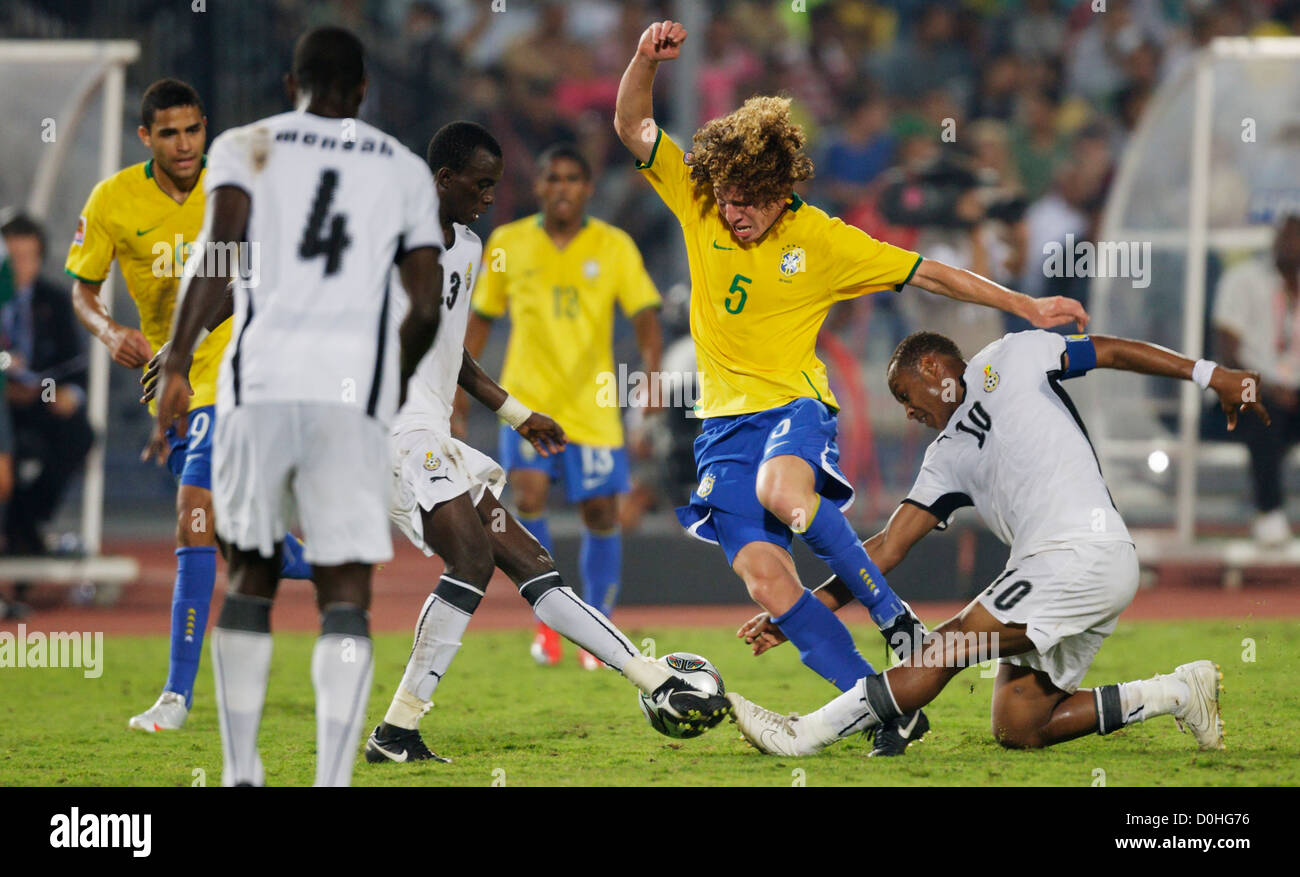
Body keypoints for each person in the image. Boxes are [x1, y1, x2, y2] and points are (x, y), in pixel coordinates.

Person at [613, 20, 1088, 755]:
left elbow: (930, 271)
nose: (735, 212)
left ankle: (895, 615)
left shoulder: (824, 239)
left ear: (781, 191)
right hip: (721, 429)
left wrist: (1026, 307)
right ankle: (884, 707)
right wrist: (644, 58)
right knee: (768, 584)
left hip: (794, 406)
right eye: (729, 197)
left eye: (751, 199)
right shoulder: (699, 198)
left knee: (784, 493)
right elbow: (632, 122)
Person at [366, 121, 729, 763]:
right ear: (443, 178)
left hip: (428, 433)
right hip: (387, 430)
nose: (488, 196)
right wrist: (186, 346)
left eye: (495, 185)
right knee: (473, 561)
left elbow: (454, 357)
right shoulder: (390, 234)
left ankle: (654, 680)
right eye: (479, 185)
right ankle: (396, 730)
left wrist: (518, 415)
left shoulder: (472, 247)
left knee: (535, 566)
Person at [727, 329, 1265, 756]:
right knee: (1020, 723)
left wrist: (1208, 373)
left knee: (945, 647)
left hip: (1082, 553)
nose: (907, 411)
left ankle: (805, 735)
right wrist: (808, 607)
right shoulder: (943, 458)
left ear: (933, 368)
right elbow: (887, 546)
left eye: (904, 394)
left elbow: (1110, 351)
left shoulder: (1010, 357)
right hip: (1055, 569)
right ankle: (1176, 693)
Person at [148, 26, 448, 787]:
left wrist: (178, 360)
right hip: (350, 397)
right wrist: (387, 390)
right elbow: (423, 307)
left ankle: (243, 773)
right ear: (362, 93)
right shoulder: (405, 170)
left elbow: (217, 257)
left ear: (292, 86)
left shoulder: (244, 146)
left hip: (259, 387)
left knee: (248, 571)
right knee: (346, 591)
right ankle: (331, 779)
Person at [66, 78, 311, 734]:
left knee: (193, 516)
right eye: (169, 133)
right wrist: (111, 331)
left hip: (237, 369)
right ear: (145, 136)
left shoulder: (233, 189)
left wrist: (181, 347)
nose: (184, 144)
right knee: (233, 532)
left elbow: (248, 282)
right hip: (171, 383)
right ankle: (340, 558)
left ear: (206, 129)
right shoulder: (113, 199)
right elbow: (83, 290)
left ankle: (176, 695)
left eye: (193, 130)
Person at [462, 143, 663, 669]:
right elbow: (481, 318)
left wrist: (652, 376)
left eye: (573, 178)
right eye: (553, 178)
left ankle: (596, 627)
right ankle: (548, 623)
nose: (563, 187)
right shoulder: (506, 244)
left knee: (600, 512)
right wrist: (457, 389)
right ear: (539, 186)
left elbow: (645, 315)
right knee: (528, 499)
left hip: (593, 407)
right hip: (524, 404)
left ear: (588, 188)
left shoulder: (614, 246)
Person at [1, 214, 94, 615]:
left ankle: (23, 525)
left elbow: (75, 369)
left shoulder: (55, 301)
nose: (20, 267)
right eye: (11, 258)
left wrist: (61, 393)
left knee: (78, 431)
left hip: (38, 401)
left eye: (28, 257)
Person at [1212, 213, 1300, 547]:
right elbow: (1227, 347)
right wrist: (1268, 388)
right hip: (1248, 389)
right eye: (1287, 236)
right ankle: (1270, 512)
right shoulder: (1244, 279)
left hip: (1294, 391)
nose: (1292, 244)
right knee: (1260, 408)